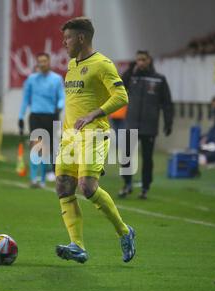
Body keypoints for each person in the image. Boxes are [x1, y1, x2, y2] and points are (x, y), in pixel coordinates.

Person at [54, 17, 135, 264]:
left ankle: (124, 231)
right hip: (70, 137)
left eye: (67, 37)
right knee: (63, 187)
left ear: (81, 38)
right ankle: (77, 246)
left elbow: (121, 97)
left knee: (87, 187)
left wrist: (94, 113)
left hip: (95, 134)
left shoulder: (103, 64)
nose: (64, 42)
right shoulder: (71, 65)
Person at [119, 50, 174, 199]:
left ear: (149, 60)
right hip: (131, 123)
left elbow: (167, 103)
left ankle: (145, 187)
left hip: (149, 125)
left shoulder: (159, 79)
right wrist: (130, 69)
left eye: (143, 59)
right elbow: (119, 85)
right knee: (126, 156)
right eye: (138, 60)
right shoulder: (132, 77)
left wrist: (168, 122)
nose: (140, 62)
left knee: (148, 158)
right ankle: (127, 184)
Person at [18, 53, 65, 188]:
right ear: (37, 63)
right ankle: (34, 179)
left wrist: (59, 107)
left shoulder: (57, 79)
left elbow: (62, 97)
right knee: (35, 147)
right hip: (35, 116)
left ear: (49, 62)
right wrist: (21, 116)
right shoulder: (31, 79)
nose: (42, 64)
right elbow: (26, 99)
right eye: (40, 61)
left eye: (44, 61)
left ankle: (43, 180)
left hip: (50, 116)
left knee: (47, 149)